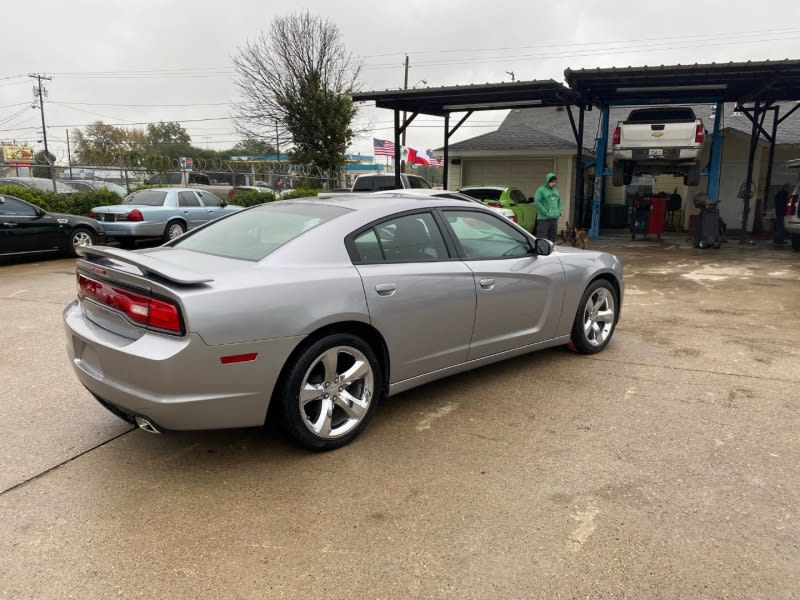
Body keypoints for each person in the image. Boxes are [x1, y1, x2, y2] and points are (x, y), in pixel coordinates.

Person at [533, 172, 562, 242]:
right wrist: (545, 212)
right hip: (544, 219)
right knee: (541, 238)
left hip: (554, 218)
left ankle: (551, 251)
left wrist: (559, 211)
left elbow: (559, 202)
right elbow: (537, 202)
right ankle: (539, 251)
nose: (554, 183)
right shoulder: (541, 190)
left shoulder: (556, 190)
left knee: (552, 238)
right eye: (552, 182)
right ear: (547, 181)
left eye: (555, 182)